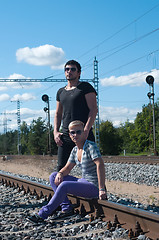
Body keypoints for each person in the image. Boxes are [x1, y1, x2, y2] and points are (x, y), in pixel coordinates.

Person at [28, 120, 107, 223]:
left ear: (84, 132)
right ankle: (66, 208)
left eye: (78, 132)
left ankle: (42, 214)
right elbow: (68, 168)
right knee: (54, 176)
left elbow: (100, 165)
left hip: (94, 186)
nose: (75, 135)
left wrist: (101, 189)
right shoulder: (75, 150)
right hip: (84, 181)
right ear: (69, 135)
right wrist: (60, 173)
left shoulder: (91, 146)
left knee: (64, 185)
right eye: (72, 132)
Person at [54, 60, 98, 171]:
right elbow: (58, 114)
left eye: (73, 69)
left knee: (92, 168)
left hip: (84, 134)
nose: (69, 71)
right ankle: (62, 189)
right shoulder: (60, 92)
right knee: (61, 169)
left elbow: (93, 109)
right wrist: (55, 132)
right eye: (67, 69)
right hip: (66, 135)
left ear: (79, 73)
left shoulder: (85, 88)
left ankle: (100, 189)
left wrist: (86, 130)